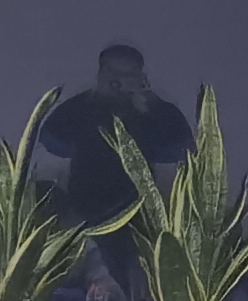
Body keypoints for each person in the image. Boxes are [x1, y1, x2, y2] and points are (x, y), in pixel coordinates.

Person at [32, 41, 191, 202]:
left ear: (139, 76)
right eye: (112, 72)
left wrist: (153, 105)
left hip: (140, 207)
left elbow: (180, 149)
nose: (118, 81)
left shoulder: (152, 110)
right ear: (100, 74)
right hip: (86, 206)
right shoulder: (81, 108)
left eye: (128, 74)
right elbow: (51, 141)